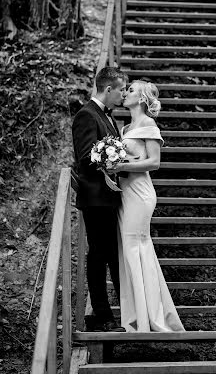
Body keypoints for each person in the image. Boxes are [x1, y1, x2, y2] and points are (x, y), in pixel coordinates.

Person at [111, 80, 185, 333]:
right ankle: (135, 316)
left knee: (136, 248)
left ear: (142, 98)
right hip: (124, 193)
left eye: (130, 90)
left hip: (141, 194)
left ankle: (150, 318)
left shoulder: (148, 124)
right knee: (128, 250)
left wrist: (121, 167)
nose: (125, 93)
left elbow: (154, 162)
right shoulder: (125, 128)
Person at [72, 66, 128, 332]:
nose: (123, 95)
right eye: (121, 90)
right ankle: (103, 318)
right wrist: (115, 160)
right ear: (108, 89)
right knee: (98, 255)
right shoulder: (86, 115)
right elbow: (86, 157)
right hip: (95, 198)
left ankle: (112, 314)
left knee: (110, 254)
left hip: (108, 198)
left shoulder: (107, 116)